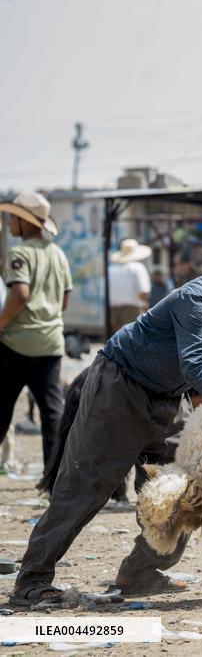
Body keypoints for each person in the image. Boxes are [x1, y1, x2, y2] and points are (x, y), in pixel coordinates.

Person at [9, 225, 202, 606]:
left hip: (168, 400)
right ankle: (31, 581)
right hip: (119, 390)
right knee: (85, 489)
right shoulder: (197, 299)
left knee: (187, 491)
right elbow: (197, 365)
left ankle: (139, 572)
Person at [0, 192, 72, 469]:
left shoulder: (19, 253)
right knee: (52, 413)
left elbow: (19, 294)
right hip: (51, 343)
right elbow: (64, 300)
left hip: (16, 344)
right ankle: (53, 482)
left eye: (12, 218)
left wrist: (2, 325)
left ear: (24, 221)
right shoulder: (58, 253)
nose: (8, 224)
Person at [108, 238, 152, 333]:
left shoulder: (111, 269)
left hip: (113, 311)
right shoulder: (138, 268)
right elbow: (143, 292)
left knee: (117, 341)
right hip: (133, 310)